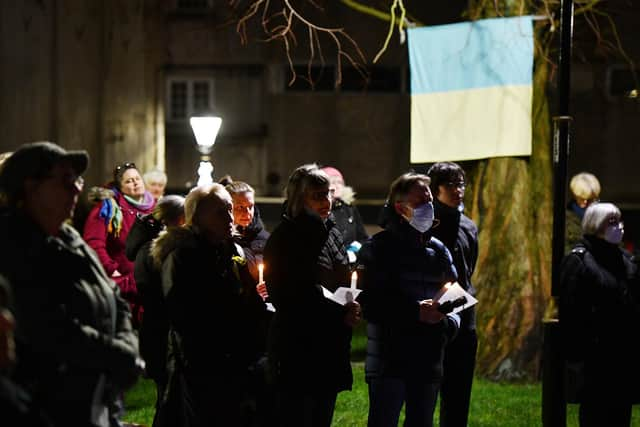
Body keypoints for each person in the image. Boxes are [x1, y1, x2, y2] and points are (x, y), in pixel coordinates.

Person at [0, 142, 143, 427]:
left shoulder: (70, 238)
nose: (77, 188)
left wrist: (126, 343)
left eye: (76, 180)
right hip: (50, 407)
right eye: (65, 180)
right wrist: (118, 355)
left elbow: (113, 296)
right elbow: (47, 326)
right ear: (30, 187)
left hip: (97, 400)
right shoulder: (12, 247)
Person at [153, 183, 268, 426]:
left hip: (236, 360)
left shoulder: (232, 249)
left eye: (229, 209)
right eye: (220, 212)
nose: (229, 218)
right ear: (197, 217)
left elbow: (247, 296)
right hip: (200, 364)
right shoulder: (183, 255)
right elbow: (186, 315)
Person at [359, 172, 460, 427]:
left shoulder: (438, 250)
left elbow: (457, 299)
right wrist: (415, 312)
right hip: (389, 359)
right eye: (420, 203)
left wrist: (447, 324)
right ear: (401, 208)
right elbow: (371, 303)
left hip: (428, 359)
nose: (427, 208)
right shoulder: (378, 249)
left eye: (429, 202)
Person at [264, 164, 361, 427]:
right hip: (299, 351)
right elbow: (293, 295)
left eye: (328, 193)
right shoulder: (286, 239)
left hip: (329, 347)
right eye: (317, 195)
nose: (327, 201)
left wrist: (351, 305)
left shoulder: (330, 232)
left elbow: (340, 277)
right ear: (299, 198)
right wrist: (338, 311)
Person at [559, 202, 640, 427]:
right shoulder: (579, 260)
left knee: (620, 415)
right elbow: (572, 312)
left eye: (620, 221)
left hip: (623, 357)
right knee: (596, 415)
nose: (620, 227)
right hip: (595, 360)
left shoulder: (625, 260)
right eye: (612, 222)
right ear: (596, 225)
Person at [125, 195, 185, 425]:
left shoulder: (146, 246)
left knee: (166, 396)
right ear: (180, 219)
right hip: (162, 331)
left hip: (152, 328)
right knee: (168, 400)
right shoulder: (159, 251)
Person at [427, 162, 478, 427]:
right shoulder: (428, 224)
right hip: (434, 312)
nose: (458, 190)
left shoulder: (468, 226)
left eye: (461, 184)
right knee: (427, 389)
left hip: (464, 312)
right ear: (436, 189)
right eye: (451, 185)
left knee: (459, 389)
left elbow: (469, 267)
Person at [84, 162, 156, 324]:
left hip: (149, 289)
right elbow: (93, 243)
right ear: (120, 187)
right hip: (125, 290)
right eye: (129, 181)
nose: (135, 182)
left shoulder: (155, 208)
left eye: (137, 178)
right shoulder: (109, 208)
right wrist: (111, 269)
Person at [320, 166, 368, 263]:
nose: (337, 185)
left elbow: (363, 238)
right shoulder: (320, 210)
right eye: (333, 182)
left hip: (350, 264)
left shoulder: (349, 208)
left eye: (340, 182)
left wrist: (354, 251)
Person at [225, 180, 270, 282]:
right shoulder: (221, 240)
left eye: (250, 206)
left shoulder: (265, 239)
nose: (247, 213)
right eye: (240, 207)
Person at [566, 172, 601, 253]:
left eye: (591, 199)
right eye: (581, 199)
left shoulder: (603, 213)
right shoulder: (567, 218)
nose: (585, 203)